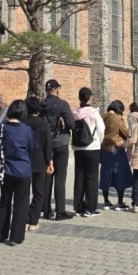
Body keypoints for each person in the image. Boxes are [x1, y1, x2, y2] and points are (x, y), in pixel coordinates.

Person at [0, 100, 37, 245]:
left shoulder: (1, 127)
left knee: (4, 201)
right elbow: (32, 147)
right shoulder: (26, 129)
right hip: (22, 170)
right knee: (21, 204)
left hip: (5, 170)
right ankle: (15, 237)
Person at [41, 79, 75, 221]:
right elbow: (71, 123)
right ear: (57, 89)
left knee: (47, 178)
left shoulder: (41, 105)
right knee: (60, 179)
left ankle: (46, 210)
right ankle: (60, 210)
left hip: (45, 145)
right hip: (60, 143)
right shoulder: (62, 105)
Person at [72, 87, 105, 217]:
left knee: (79, 176)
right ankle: (90, 208)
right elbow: (101, 129)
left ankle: (78, 207)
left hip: (78, 148)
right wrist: (99, 142)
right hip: (92, 147)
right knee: (91, 178)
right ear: (89, 98)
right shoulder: (94, 113)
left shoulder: (75, 113)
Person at [23, 97, 52, 232]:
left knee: (23, 192)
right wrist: (50, 161)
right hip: (40, 161)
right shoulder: (43, 124)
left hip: (24, 161)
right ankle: (33, 221)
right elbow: (48, 145)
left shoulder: (23, 123)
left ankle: (23, 220)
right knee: (39, 192)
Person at [100, 100, 132, 210]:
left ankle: (106, 201)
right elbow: (126, 132)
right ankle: (120, 202)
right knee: (120, 175)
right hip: (116, 150)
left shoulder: (102, 116)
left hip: (104, 149)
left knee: (106, 175)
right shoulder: (118, 119)